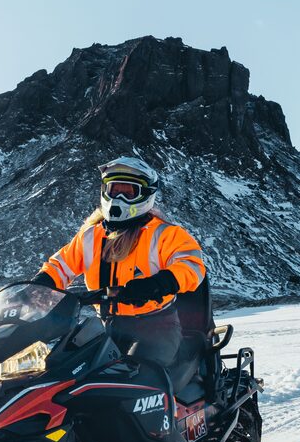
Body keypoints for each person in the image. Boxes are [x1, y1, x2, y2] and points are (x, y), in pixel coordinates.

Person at [32, 156, 206, 368]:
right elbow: (60, 266)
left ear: (146, 195)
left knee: (138, 377)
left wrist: (157, 284)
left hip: (156, 327)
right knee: (62, 371)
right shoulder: (91, 237)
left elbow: (192, 266)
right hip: (105, 326)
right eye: (115, 190)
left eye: (129, 191)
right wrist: (41, 285)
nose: (120, 198)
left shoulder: (165, 233)